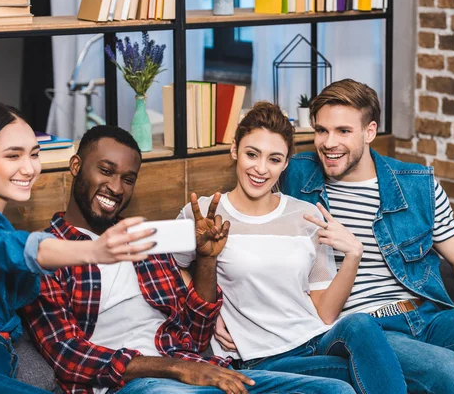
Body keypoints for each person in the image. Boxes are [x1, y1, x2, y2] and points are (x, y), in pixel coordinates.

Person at [21, 125, 355, 394]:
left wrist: (207, 259)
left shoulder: (146, 241)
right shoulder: (49, 253)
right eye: (105, 171)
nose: (116, 187)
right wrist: (179, 368)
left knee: (337, 390)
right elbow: (68, 356)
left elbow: (195, 338)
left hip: (199, 371)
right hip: (135, 384)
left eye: (127, 179)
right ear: (77, 167)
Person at [277, 78, 454, 393]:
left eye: (344, 131)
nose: (329, 143)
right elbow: (244, 219)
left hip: (424, 314)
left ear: (370, 131)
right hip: (363, 329)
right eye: (321, 130)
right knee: (449, 371)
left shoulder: (416, 186)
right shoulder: (294, 176)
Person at [176, 102, 407, 394]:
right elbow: (170, 265)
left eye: (274, 159)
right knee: (348, 384)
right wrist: (211, 312)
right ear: (235, 150)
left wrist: (353, 255)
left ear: (286, 163)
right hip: (261, 358)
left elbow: (324, 313)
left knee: (360, 324)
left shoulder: (305, 215)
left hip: (315, 340)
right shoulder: (206, 213)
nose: (261, 169)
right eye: (251, 154)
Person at [0, 104, 154, 394]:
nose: (30, 168)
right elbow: (27, 250)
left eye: (34, 154)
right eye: (13, 155)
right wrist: (95, 251)